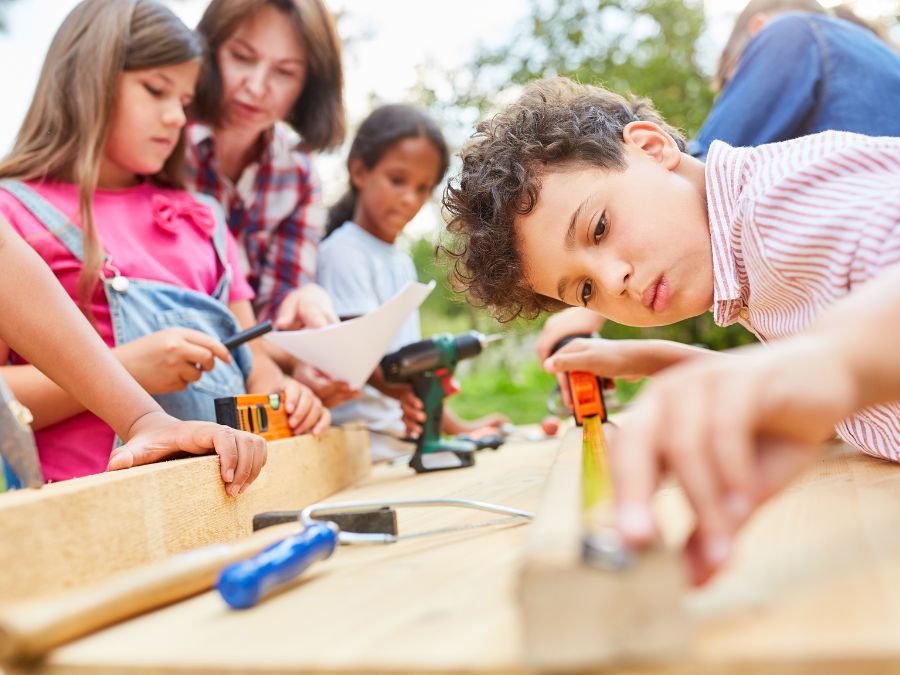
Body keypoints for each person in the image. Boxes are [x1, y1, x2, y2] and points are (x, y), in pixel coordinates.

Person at [441, 77, 900, 584]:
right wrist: (675, 365)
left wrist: (830, 365)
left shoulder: (777, 204)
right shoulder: (752, 267)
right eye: (586, 291)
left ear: (650, 147)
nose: (612, 281)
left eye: (599, 227)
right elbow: (851, 385)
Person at [0, 0, 328, 484]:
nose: (176, 117)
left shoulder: (204, 217)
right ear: (87, 80)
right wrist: (129, 367)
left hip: (224, 500)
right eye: (156, 90)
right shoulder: (13, 213)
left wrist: (286, 395)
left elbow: (257, 366)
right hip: (90, 501)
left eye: (184, 101)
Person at [538, 0, 900, 373]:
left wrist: (592, 309)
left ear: (756, 33)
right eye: (587, 291)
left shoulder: (789, 34)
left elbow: (700, 164)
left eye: (736, 86)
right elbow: (834, 380)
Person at [0, 216, 266, 493]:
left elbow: (4, 255)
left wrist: (146, 419)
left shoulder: (207, 217)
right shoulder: (18, 212)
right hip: (82, 492)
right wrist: (133, 377)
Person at [185, 0, 357, 409]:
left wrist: (303, 354)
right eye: (242, 57)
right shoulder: (160, 142)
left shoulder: (298, 174)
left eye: (284, 72)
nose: (257, 85)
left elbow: (275, 316)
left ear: (307, 85)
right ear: (209, 50)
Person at [319, 105, 507, 461]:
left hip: (402, 445)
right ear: (359, 171)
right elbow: (362, 361)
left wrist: (461, 429)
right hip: (361, 452)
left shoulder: (401, 262)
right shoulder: (343, 253)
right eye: (397, 180)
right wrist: (408, 396)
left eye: (423, 188)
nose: (409, 198)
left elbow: (418, 366)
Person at [691, 0, 900, 159]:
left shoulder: (790, 32)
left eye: (737, 82)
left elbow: (706, 168)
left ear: (759, 28)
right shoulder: (881, 56)